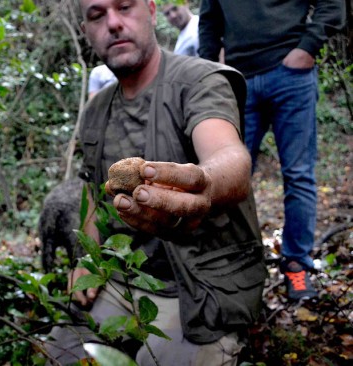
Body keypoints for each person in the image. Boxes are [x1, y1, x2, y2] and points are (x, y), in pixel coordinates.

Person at [44, 1, 266, 364]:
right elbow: (92, 190)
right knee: (55, 354)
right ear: (85, 31)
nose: (113, 23)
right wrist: (88, 260)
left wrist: (205, 185)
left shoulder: (200, 81)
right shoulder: (96, 111)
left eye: (125, 6)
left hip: (197, 287)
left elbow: (230, 156)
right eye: (97, 15)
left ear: (150, 10)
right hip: (123, 283)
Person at [198, 0, 346, 301]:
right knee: (228, 176)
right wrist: (212, 73)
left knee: (298, 174)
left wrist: (307, 47)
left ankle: (296, 265)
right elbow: (209, 23)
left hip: (291, 75)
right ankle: (233, 264)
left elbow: (333, 5)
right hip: (238, 81)